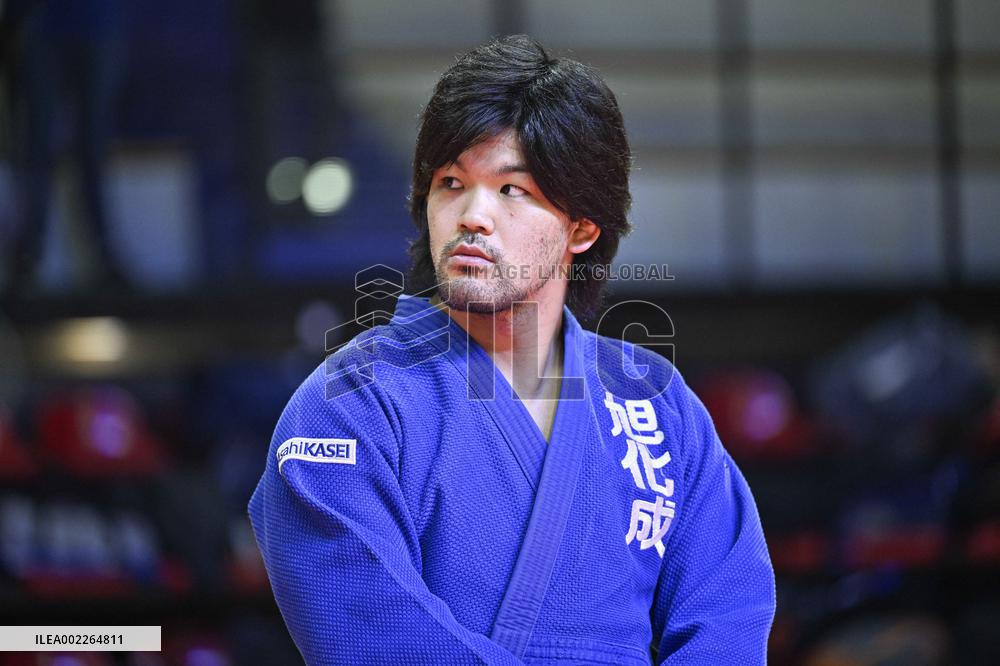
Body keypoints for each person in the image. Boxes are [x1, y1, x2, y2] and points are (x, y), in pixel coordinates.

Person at [249, 35, 775, 665]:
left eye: (511, 190)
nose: (472, 215)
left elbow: (728, 613)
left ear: (582, 227)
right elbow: (375, 634)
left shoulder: (655, 403)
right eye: (451, 182)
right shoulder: (351, 405)